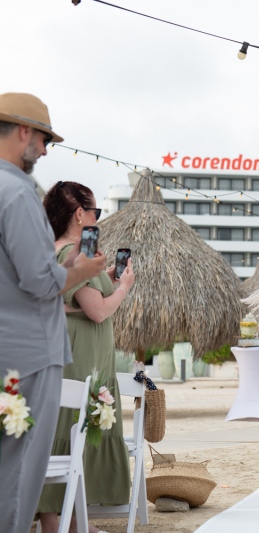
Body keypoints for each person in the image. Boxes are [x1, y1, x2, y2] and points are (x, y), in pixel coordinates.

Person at [0, 93, 106, 533]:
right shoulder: (17, 192)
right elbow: (40, 282)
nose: (44, 150)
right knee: (19, 470)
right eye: (44, 139)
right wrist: (80, 270)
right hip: (28, 352)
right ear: (25, 131)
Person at [38, 181, 136, 533]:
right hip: (82, 355)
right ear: (79, 214)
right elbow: (97, 311)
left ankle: (66, 520)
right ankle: (63, 523)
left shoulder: (56, 250)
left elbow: (77, 297)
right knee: (72, 432)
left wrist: (107, 277)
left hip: (72, 349)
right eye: (95, 212)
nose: (97, 218)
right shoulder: (72, 254)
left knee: (64, 435)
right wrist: (123, 287)